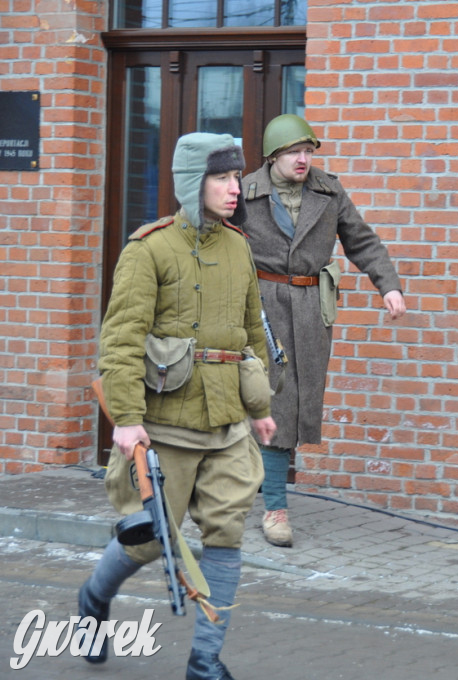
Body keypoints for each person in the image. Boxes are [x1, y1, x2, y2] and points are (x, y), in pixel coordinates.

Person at [79, 132, 276, 680]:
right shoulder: (150, 248)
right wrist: (128, 420)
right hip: (164, 427)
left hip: (227, 426)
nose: (234, 189)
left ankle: (205, 661)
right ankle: (92, 600)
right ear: (193, 183)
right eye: (221, 178)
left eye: (237, 178)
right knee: (147, 543)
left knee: (227, 535)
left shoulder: (238, 245)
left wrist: (260, 405)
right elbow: (120, 340)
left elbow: (252, 332)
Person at [241, 114, 406, 547]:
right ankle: (274, 507)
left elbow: (362, 241)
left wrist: (388, 287)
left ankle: (259, 485)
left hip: (311, 311)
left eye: (308, 152)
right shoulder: (243, 193)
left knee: (294, 408)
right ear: (273, 155)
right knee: (273, 403)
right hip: (259, 309)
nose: (303, 160)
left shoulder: (328, 191)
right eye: (294, 152)